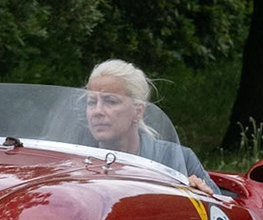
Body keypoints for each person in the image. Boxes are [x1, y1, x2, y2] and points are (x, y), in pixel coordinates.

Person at [84, 59, 214, 189]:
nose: (97, 111)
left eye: (111, 101)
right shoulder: (76, 158)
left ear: (138, 111)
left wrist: (196, 192)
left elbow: (220, 206)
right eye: (91, 102)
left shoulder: (176, 158)